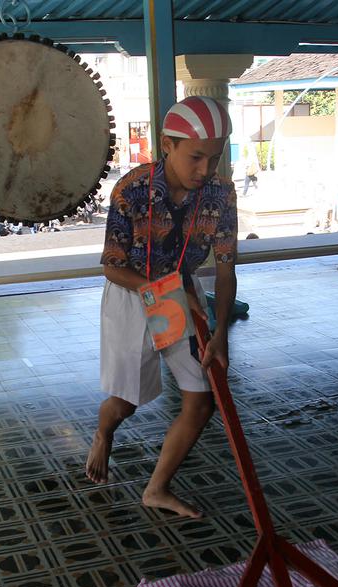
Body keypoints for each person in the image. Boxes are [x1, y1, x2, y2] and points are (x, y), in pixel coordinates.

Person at [87, 96, 239, 519]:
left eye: (215, 157)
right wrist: (169, 289)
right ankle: (103, 433)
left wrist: (221, 329)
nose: (205, 170)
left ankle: (157, 488)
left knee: (200, 399)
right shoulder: (131, 190)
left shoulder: (221, 194)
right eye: (195, 157)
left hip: (179, 297)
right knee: (126, 404)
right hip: (134, 294)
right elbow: (113, 268)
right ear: (167, 144)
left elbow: (226, 270)